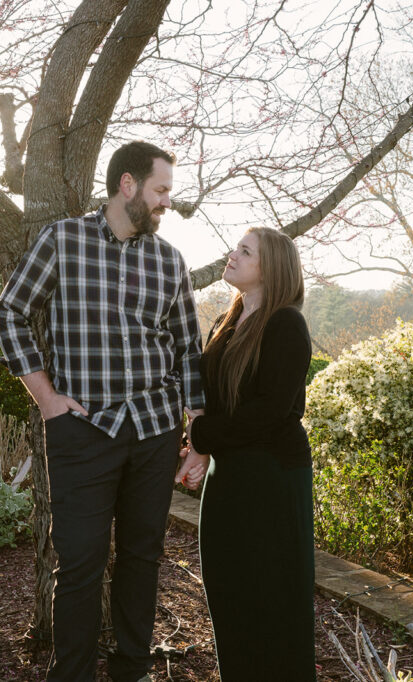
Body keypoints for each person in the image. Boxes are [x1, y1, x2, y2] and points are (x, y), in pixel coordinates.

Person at [0, 140, 207, 682]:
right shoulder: (62, 241)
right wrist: (46, 399)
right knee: (82, 565)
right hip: (83, 431)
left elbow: (189, 350)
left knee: (142, 559)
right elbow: (11, 313)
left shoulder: (169, 261)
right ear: (128, 185)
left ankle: (131, 670)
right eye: (160, 191)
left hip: (155, 432)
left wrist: (196, 432)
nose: (166, 203)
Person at [178, 226, 316, 680]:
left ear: (269, 267)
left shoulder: (286, 323)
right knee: (229, 593)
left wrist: (202, 438)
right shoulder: (226, 321)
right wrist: (200, 448)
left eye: (245, 250)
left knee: (271, 600)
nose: (232, 254)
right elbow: (214, 403)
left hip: (272, 479)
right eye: (235, 247)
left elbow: (271, 412)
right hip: (229, 477)